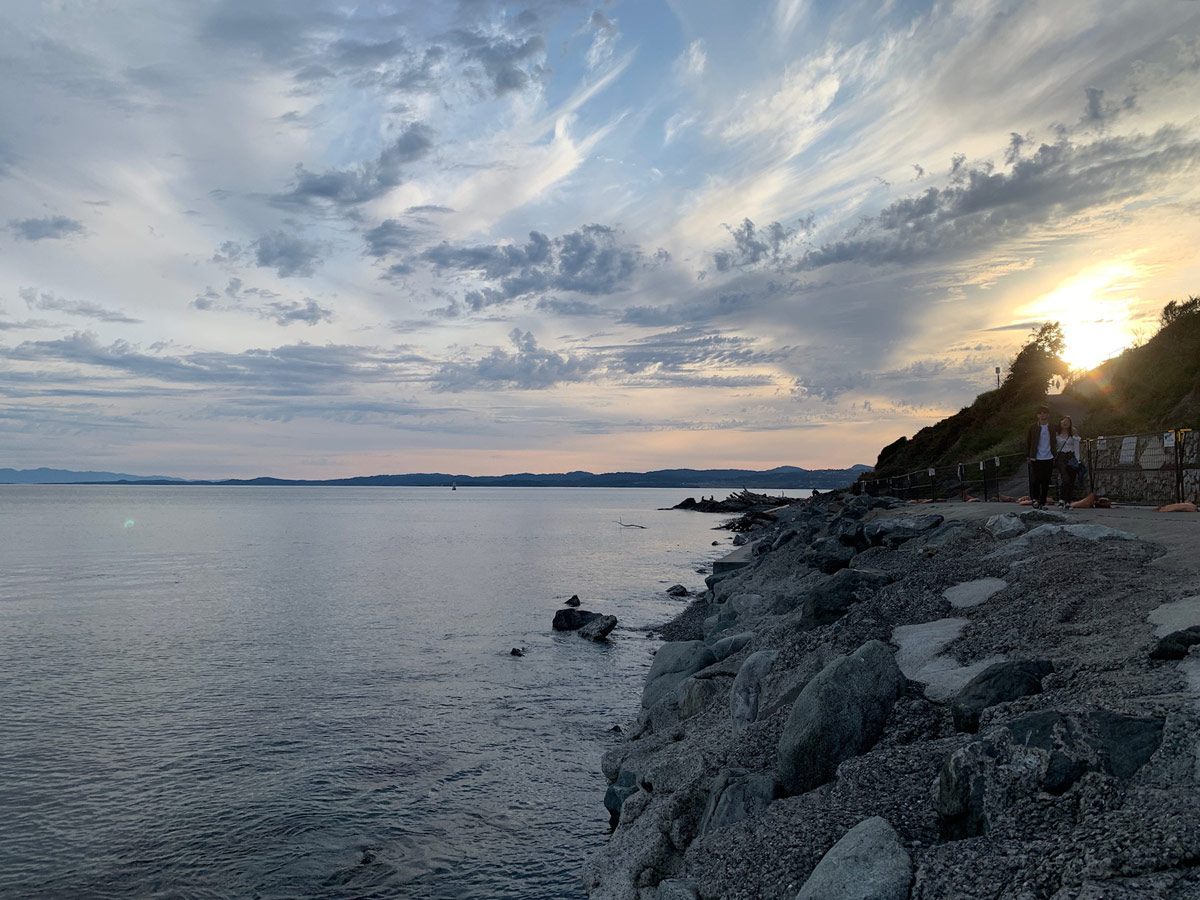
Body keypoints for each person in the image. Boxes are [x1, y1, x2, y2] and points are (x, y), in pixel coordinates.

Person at [1025, 406, 1058, 509]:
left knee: (1046, 481)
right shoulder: (1033, 427)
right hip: (1036, 457)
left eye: (1044, 413)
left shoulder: (1052, 426)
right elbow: (1028, 442)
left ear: (1048, 414)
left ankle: (1042, 502)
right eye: (1040, 413)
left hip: (1049, 457)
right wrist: (1028, 456)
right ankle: (1035, 499)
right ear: (1037, 415)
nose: (1042, 415)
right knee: (1035, 480)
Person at [1053, 415, 1082, 507]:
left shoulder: (1073, 435)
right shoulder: (1056, 435)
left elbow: (1076, 447)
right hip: (1061, 457)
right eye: (1063, 421)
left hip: (1071, 457)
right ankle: (1062, 499)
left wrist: (1077, 460)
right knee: (1065, 478)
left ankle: (1068, 501)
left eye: (1067, 421)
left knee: (1071, 480)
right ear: (1060, 422)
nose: (1065, 423)